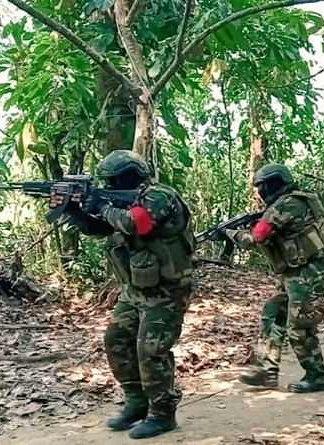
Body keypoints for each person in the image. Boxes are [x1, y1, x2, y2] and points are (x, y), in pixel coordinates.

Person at [55, 150, 195, 439]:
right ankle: (136, 402)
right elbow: (101, 228)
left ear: (131, 176)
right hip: (135, 290)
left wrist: (101, 205)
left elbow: (137, 223)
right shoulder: (122, 203)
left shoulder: (160, 196)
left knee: (151, 351)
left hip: (167, 290)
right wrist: (75, 211)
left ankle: (163, 412)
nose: (109, 186)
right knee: (116, 340)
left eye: (114, 181)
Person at [222, 163, 324, 393]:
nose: (260, 192)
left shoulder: (287, 204)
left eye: (262, 187)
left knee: (300, 326)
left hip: (308, 272)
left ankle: (317, 376)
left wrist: (229, 233)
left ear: (273, 184)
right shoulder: (298, 200)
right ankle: (267, 370)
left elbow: (256, 238)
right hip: (298, 272)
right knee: (274, 312)